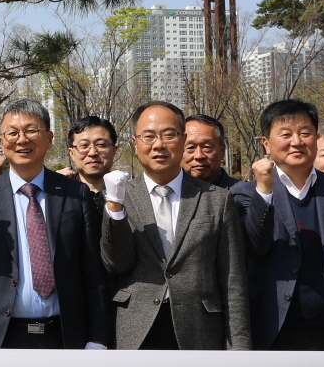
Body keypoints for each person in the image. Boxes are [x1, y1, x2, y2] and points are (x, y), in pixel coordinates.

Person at [0, 98, 106, 349]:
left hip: (63, 335)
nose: (22, 139)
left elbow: (94, 272)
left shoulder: (75, 194)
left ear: (49, 138)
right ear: (2, 141)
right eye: (12, 133)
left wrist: (97, 337)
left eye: (31, 131)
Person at [230, 99, 324, 351]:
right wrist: (264, 191)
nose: (297, 141)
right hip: (270, 332)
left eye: (305, 133)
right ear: (266, 143)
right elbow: (254, 246)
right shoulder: (245, 194)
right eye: (285, 134)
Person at [100, 100, 250, 350]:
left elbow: (232, 281)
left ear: (183, 140)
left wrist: (240, 348)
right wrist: (114, 208)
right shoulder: (120, 196)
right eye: (148, 136)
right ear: (135, 144)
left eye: (168, 135)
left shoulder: (217, 199)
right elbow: (116, 263)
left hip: (200, 330)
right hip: (136, 329)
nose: (159, 144)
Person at [61, 116, 119, 199]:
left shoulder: (129, 193)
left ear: (114, 150)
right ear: (72, 153)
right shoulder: (57, 194)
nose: (92, 153)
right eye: (84, 145)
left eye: (101, 144)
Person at [182, 114, 238, 189]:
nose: (199, 156)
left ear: (222, 151)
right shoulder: (166, 195)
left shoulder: (242, 196)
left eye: (206, 147)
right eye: (190, 147)